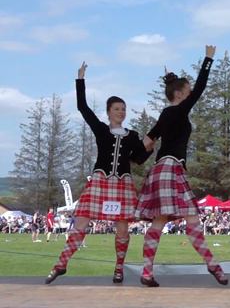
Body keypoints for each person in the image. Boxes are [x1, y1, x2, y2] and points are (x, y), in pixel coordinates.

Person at [45, 62, 152, 285]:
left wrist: (149, 148)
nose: (121, 112)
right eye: (116, 108)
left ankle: (119, 268)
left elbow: (138, 159)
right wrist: (80, 80)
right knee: (81, 223)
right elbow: (82, 107)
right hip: (100, 183)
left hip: (122, 184)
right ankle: (61, 264)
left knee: (122, 230)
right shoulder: (101, 129)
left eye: (123, 108)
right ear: (108, 111)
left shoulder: (132, 135)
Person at [135, 45, 227, 287]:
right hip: (171, 169)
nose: (190, 94)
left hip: (161, 170)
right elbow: (201, 88)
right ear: (180, 93)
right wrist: (208, 59)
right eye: (187, 91)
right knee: (191, 221)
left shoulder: (165, 116)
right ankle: (212, 265)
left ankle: (148, 272)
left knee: (161, 222)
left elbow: (144, 145)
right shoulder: (179, 109)